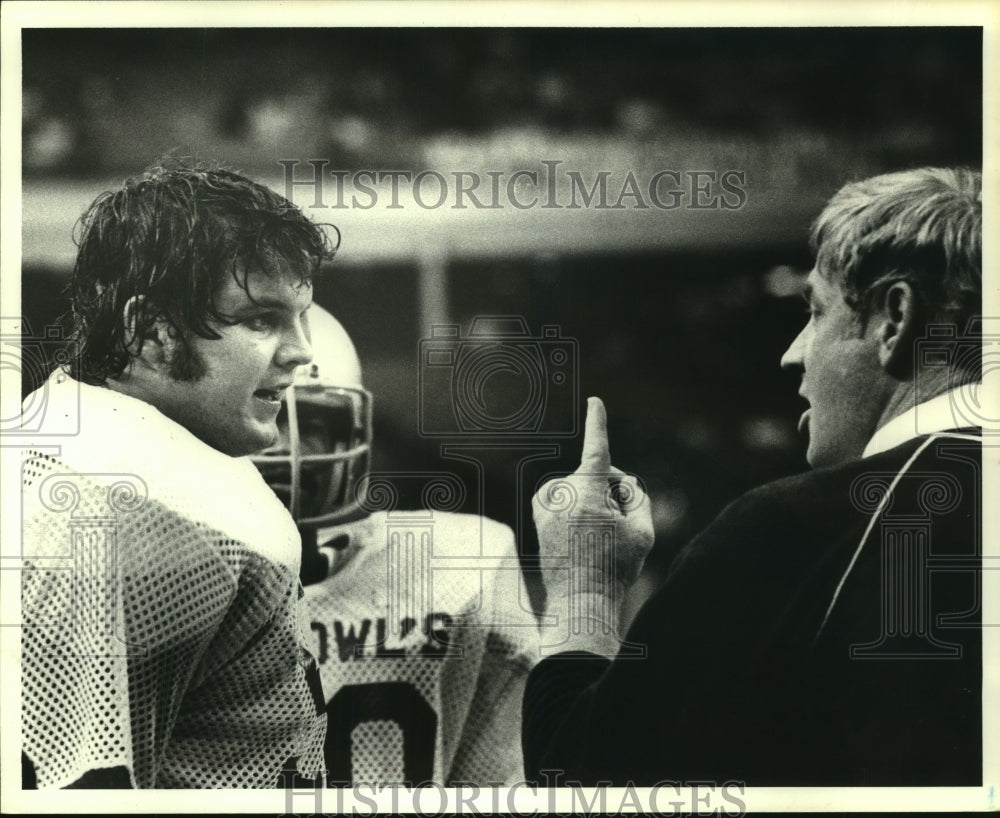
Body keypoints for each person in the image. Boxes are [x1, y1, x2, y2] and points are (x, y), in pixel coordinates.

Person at [524, 167, 983, 786]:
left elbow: (578, 786)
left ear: (894, 318)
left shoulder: (790, 532)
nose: (793, 353)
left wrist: (584, 586)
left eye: (816, 312)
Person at [19, 162, 337, 788]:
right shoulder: (142, 511)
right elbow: (81, 789)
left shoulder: (64, 438)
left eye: (300, 316)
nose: (303, 350)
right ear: (151, 333)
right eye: (261, 319)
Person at [252, 305, 539, 786]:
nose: (282, 450)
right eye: (261, 421)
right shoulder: (161, 574)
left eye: (311, 427)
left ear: (354, 432)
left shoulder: (460, 561)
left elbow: (505, 776)